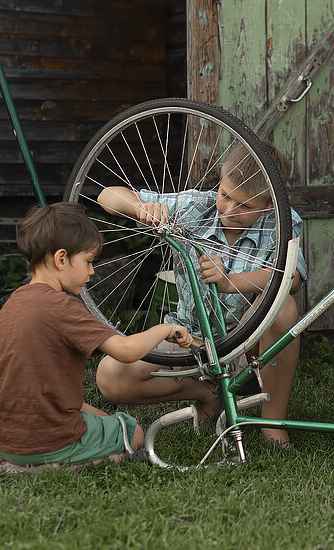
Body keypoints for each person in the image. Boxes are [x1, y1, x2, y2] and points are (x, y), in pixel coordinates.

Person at [95, 143, 305, 449]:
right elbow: (107, 197)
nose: (229, 210)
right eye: (225, 195)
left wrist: (229, 282)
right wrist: (141, 207)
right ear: (218, 184)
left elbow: (292, 278)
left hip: (248, 347)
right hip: (190, 338)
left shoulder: (282, 221)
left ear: (270, 204)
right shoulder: (196, 206)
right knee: (110, 375)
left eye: (245, 206)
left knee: (283, 307)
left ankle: (272, 423)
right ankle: (205, 393)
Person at [0, 202, 198, 469]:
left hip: (4, 435)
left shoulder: (11, 305)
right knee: (133, 432)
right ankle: (64, 465)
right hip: (48, 439)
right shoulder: (64, 308)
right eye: (88, 261)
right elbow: (126, 351)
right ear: (61, 259)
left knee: (89, 411)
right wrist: (165, 329)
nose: (92, 271)